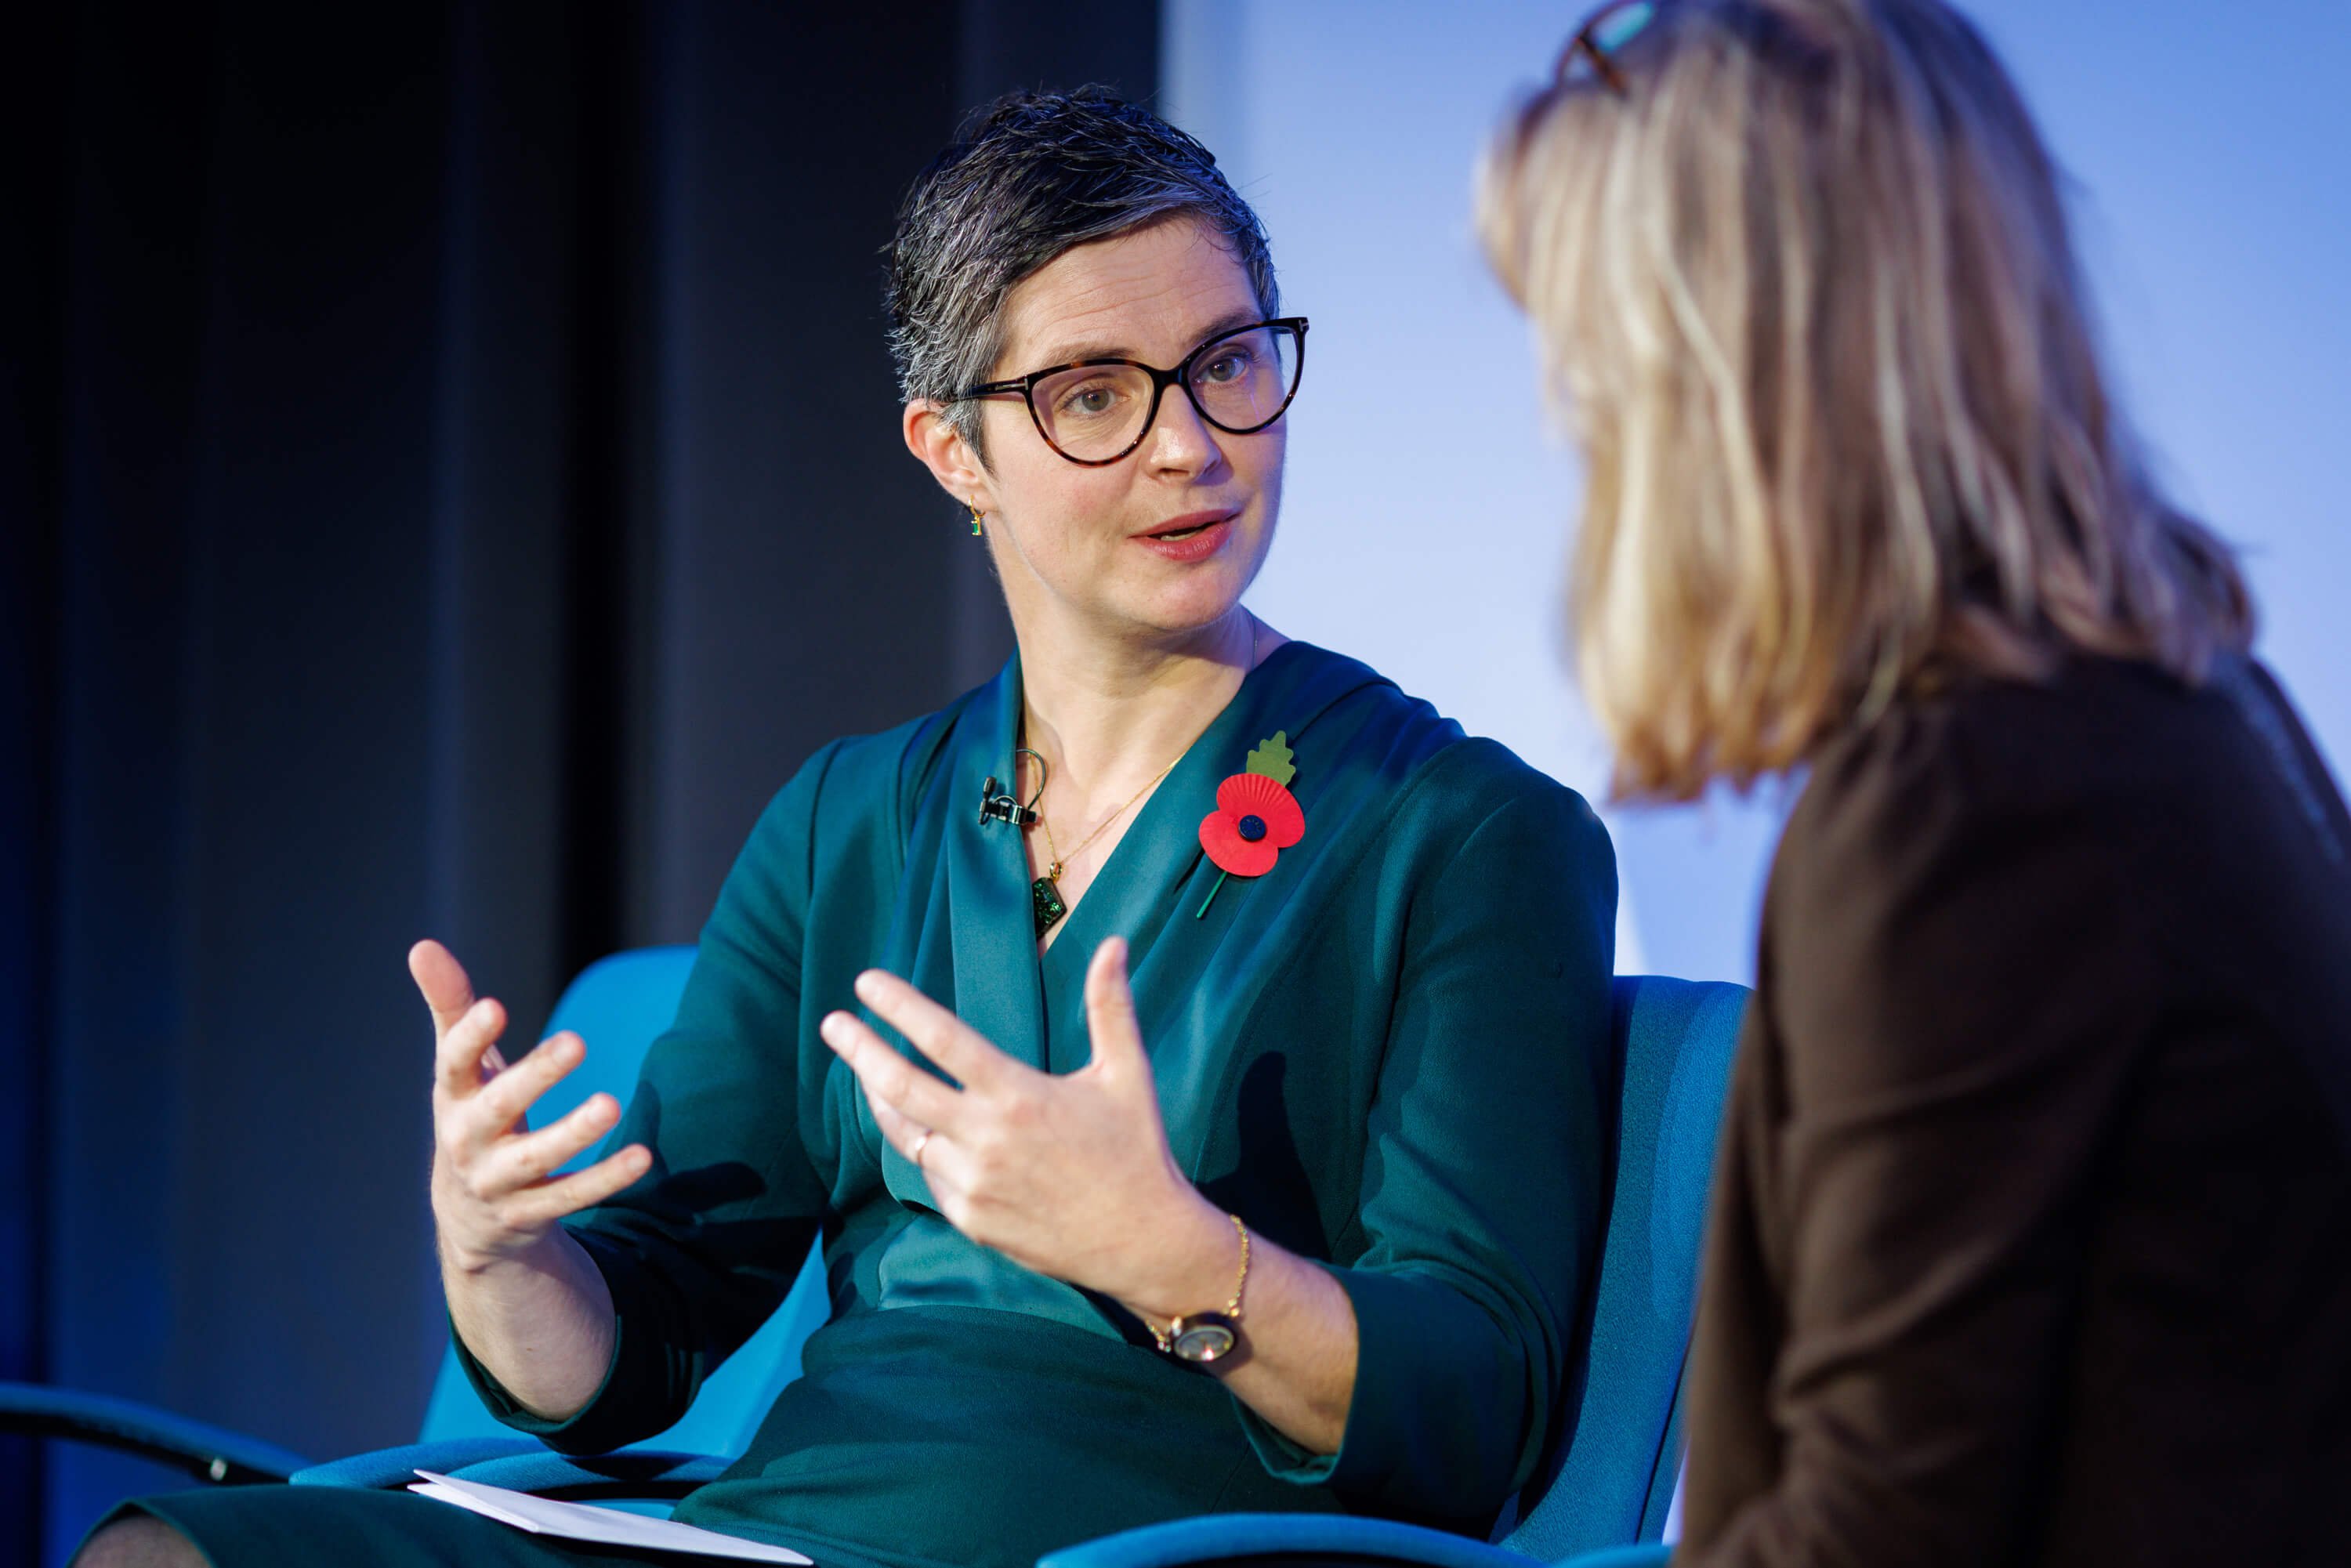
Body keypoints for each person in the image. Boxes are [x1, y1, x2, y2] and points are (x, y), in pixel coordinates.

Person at [76, 89, 1619, 1568]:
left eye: (1226, 362)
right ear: (955, 452)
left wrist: (1167, 1252)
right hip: (787, 1528)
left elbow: (1473, 1407)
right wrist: (498, 1253)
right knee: (171, 1547)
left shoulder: (1469, 833)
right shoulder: (849, 821)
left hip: (1156, 1540)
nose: (1188, 445)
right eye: (1094, 392)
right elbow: (641, 1332)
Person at [1479, 1, 2351, 1563]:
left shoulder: (1968, 813)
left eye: (1597, 373)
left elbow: (1881, 1529)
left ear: (1719, 385)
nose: (1567, 421)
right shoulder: (2206, 709)